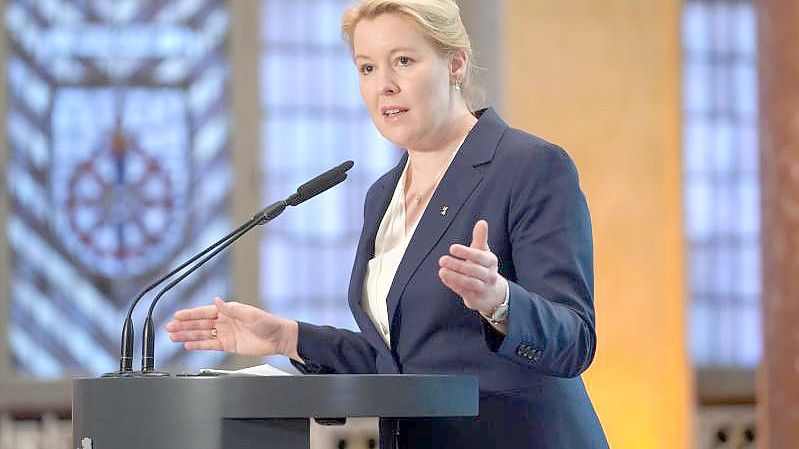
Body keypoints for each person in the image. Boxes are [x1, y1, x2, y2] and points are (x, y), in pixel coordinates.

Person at [166, 0, 609, 447]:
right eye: (367, 68)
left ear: (454, 66)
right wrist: (286, 338)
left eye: (403, 61)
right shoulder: (383, 195)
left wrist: (500, 302)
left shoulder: (528, 166)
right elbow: (401, 362)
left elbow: (574, 340)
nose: (385, 86)